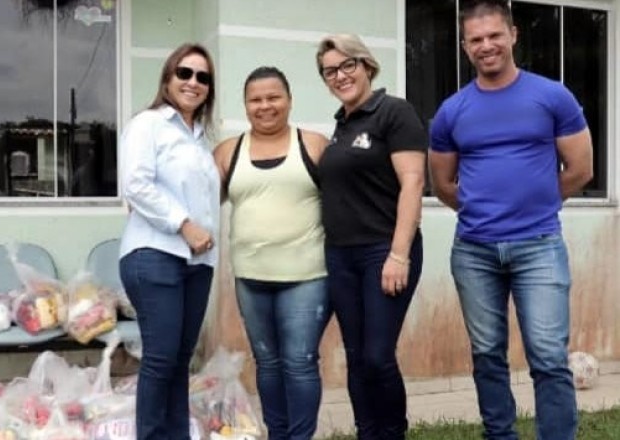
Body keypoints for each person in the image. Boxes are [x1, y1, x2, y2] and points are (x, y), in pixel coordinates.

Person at [428, 1, 594, 439]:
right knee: (486, 354)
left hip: (539, 245)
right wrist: (484, 208)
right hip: (474, 251)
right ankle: (500, 435)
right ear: (465, 47)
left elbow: (580, 169)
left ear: (513, 35)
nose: (486, 46)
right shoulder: (451, 111)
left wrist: (536, 201)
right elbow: (443, 183)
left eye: (494, 35)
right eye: (476, 40)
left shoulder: (552, 95)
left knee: (547, 356)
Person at [315, 34, 428, 439]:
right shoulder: (340, 126)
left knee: (378, 356)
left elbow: (413, 183)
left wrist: (398, 255)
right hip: (341, 256)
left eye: (348, 65)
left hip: (384, 251)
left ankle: (392, 433)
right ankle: (369, 432)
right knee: (357, 357)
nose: (340, 75)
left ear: (367, 66)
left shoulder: (393, 112)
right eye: (331, 70)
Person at [213, 66, 330, 440]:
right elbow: (199, 204)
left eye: (273, 97)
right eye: (256, 99)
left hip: (307, 276)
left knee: (299, 363)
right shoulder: (228, 151)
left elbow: (345, 204)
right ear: (246, 105)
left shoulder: (313, 145)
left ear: (289, 100)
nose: (265, 106)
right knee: (267, 363)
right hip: (250, 277)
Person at [118, 43, 219, 440]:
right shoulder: (148, 124)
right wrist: (185, 225)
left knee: (179, 361)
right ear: (167, 78)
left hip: (197, 264)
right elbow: (136, 184)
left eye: (203, 77)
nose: (193, 82)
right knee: (161, 360)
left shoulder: (198, 138)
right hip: (155, 254)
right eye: (185, 73)